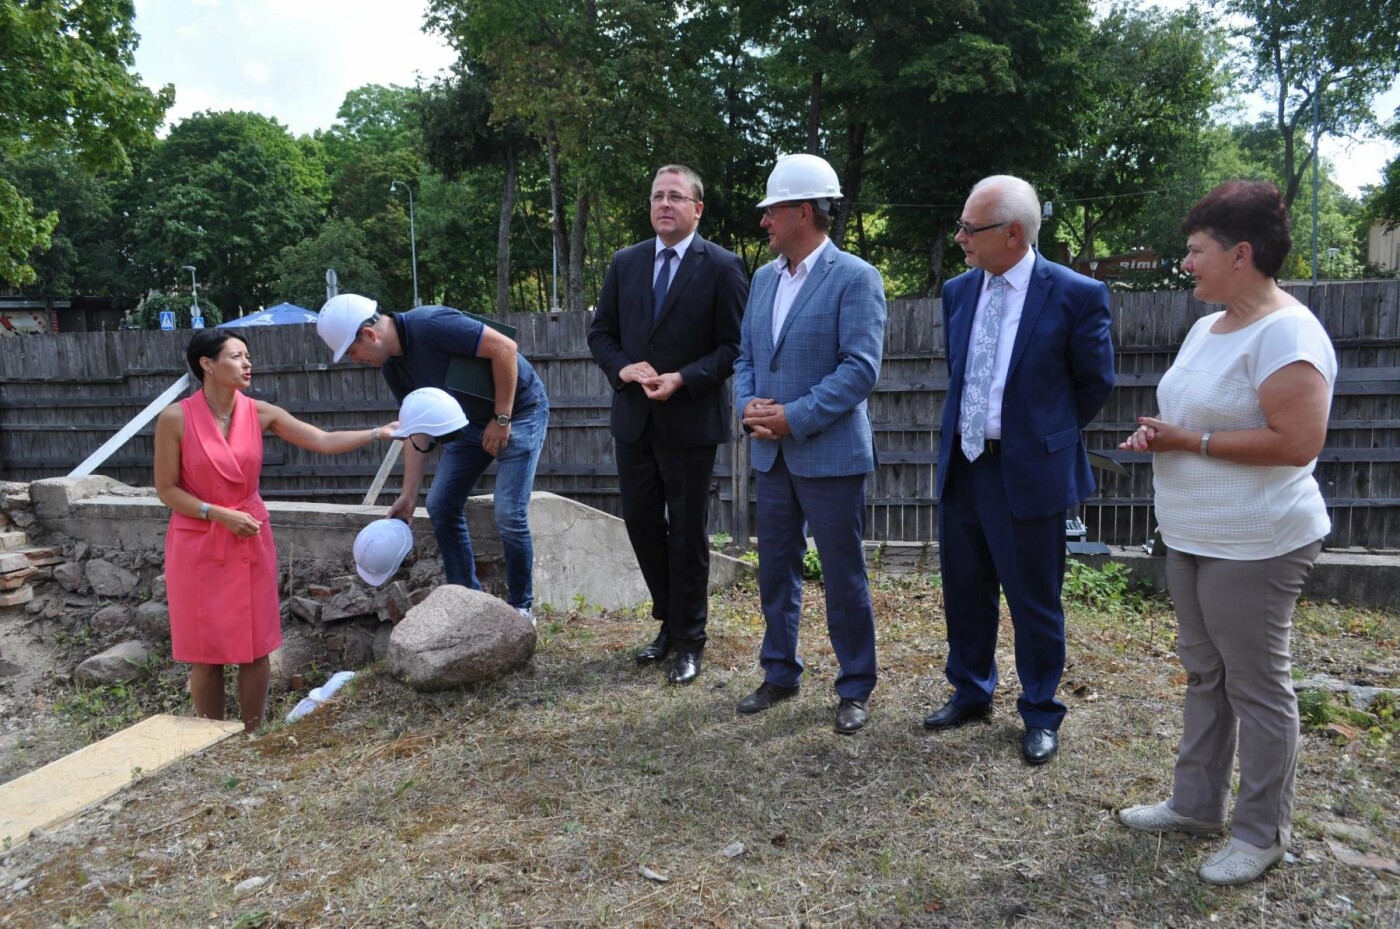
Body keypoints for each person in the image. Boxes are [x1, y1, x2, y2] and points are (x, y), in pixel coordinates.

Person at [1116, 180, 1335, 885]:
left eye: (1196, 250)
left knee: (1257, 685)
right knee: (1206, 674)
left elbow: (1297, 440)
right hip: (1192, 534)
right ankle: (1195, 803)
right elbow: (1196, 416)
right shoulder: (1209, 325)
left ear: (1241, 254)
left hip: (1259, 540)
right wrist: (1164, 436)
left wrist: (1195, 440)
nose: (1186, 263)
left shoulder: (1288, 331)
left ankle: (1261, 831)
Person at [925, 175, 1115, 765]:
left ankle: (1039, 711)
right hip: (965, 464)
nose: (959, 237)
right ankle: (971, 691)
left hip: (1029, 470)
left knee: (1034, 599)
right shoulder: (959, 291)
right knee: (964, 587)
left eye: (969, 228)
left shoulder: (1076, 293)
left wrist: (1041, 435)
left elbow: (1094, 383)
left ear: (1012, 234)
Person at [154, 329, 397, 732]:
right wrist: (215, 514)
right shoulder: (176, 417)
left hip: (249, 536)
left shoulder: (260, 412)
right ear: (207, 365)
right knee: (206, 652)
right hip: (197, 540)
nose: (248, 363)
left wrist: (377, 433)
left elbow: (321, 439)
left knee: (255, 648)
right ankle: (211, 739)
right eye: (236, 356)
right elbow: (166, 490)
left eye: (248, 355)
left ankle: (252, 735)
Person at [731, 153, 886, 734]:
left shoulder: (856, 278)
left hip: (829, 453)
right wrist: (747, 405)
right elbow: (747, 357)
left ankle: (855, 686)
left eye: (772, 211)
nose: (764, 221)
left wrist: (793, 417)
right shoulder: (764, 278)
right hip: (769, 454)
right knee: (775, 568)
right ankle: (779, 672)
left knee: (843, 574)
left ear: (803, 211)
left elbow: (860, 369)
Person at [587, 165, 748, 685]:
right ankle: (668, 621)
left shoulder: (722, 266)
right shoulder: (626, 262)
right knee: (640, 525)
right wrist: (621, 368)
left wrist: (684, 377)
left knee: (686, 534)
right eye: (657, 196)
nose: (664, 204)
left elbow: (733, 346)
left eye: (676, 197)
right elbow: (601, 333)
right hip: (633, 419)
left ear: (697, 209)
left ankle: (690, 639)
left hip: (690, 422)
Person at [316, 294, 549, 620]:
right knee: (440, 505)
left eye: (353, 352)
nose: (355, 360)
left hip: (518, 410)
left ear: (369, 335)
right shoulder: (393, 369)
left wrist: (501, 418)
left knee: (509, 511)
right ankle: (468, 604)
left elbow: (504, 348)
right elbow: (417, 429)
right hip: (469, 424)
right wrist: (409, 495)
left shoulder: (431, 325)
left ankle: (522, 609)